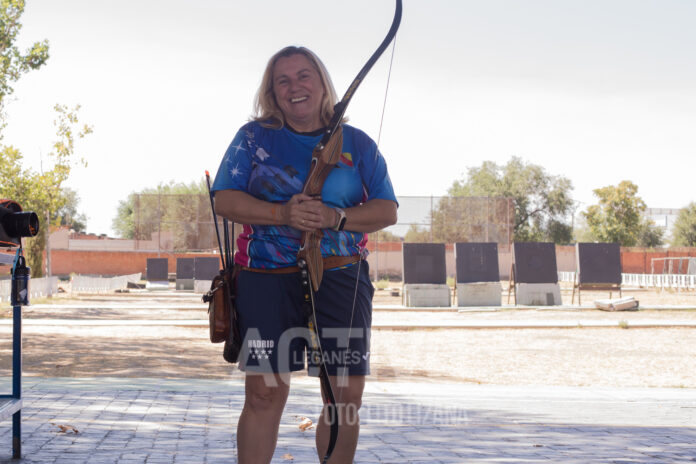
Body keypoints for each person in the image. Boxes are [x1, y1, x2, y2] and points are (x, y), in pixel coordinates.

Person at [211, 45, 398, 464]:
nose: (295, 87)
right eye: (283, 80)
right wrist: (282, 213)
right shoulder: (253, 139)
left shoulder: (357, 144)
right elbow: (223, 199)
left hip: (340, 277)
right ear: (273, 93)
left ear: (322, 82)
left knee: (344, 396)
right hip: (265, 278)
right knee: (264, 391)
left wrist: (336, 217)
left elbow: (386, 209)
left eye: (303, 76)